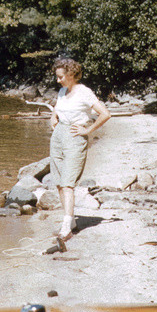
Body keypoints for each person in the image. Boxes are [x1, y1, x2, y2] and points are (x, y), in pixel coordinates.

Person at [49, 58, 111, 241]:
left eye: (60, 77)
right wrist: (53, 117)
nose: (58, 80)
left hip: (75, 138)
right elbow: (58, 109)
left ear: (71, 74)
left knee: (68, 182)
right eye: (57, 77)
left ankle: (66, 228)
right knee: (59, 181)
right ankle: (71, 222)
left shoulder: (84, 92)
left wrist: (87, 130)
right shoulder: (62, 91)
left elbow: (105, 114)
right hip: (58, 136)